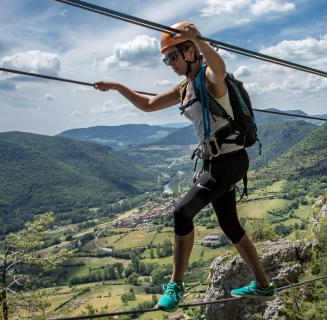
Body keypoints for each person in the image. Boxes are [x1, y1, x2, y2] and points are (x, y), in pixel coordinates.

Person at [93, 22, 273, 312]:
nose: (169, 63)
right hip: (217, 162)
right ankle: (263, 284)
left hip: (227, 162)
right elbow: (149, 104)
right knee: (229, 225)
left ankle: (175, 285)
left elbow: (220, 66)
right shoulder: (184, 87)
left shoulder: (210, 79)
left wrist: (199, 40)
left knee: (181, 213)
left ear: (189, 52)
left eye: (172, 57)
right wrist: (117, 87)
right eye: (166, 59)